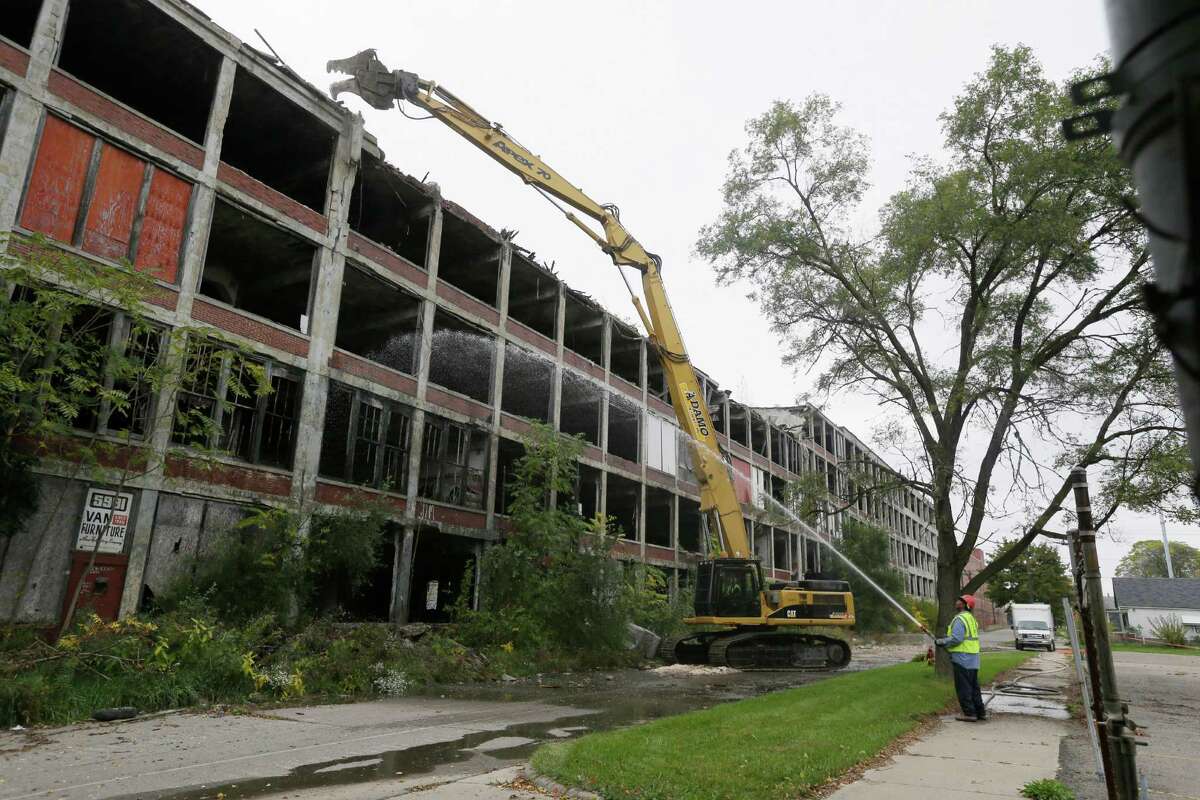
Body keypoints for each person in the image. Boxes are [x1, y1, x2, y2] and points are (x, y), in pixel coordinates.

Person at [925, 595, 985, 722]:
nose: (956, 602)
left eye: (960, 601)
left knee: (963, 687)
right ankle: (980, 712)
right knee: (974, 687)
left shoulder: (960, 619)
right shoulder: (971, 619)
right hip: (973, 658)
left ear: (965, 605)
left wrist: (941, 641)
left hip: (962, 658)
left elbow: (957, 639)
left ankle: (969, 713)